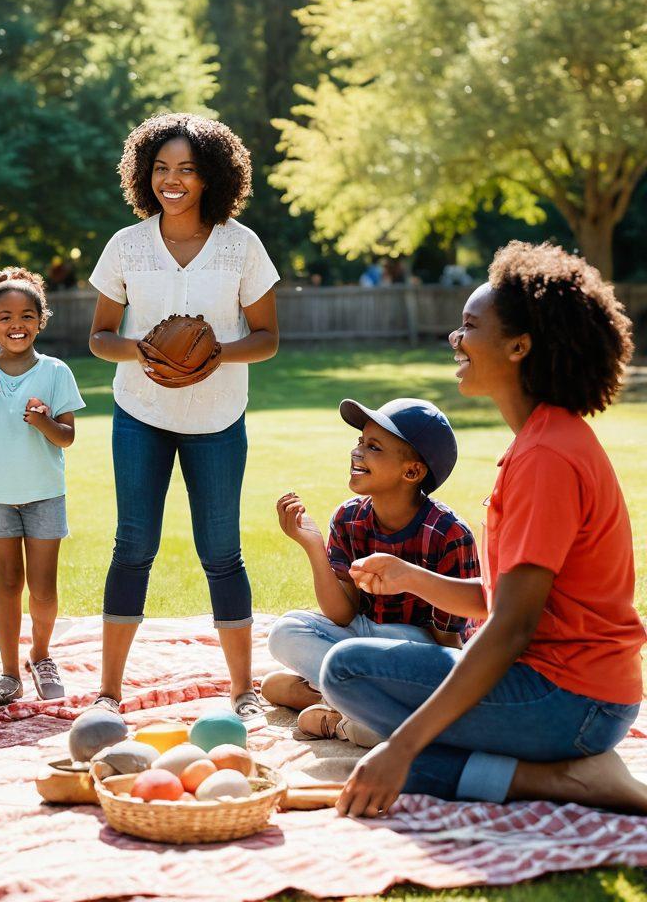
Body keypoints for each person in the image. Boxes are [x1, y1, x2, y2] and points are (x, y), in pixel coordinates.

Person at [325, 241, 647, 817]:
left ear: (519, 346)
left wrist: (401, 747)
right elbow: (507, 603)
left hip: (571, 701)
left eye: (469, 326)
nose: (455, 338)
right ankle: (526, 767)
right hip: (581, 694)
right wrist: (408, 576)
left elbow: (511, 627)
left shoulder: (546, 456)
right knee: (380, 711)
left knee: (348, 672)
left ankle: (563, 780)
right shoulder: (544, 439)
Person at [87, 112, 280, 719]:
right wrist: (140, 348)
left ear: (210, 177)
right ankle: (110, 691)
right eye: (161, 168)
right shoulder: (127, 244)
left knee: (221, 551)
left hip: (218, 417)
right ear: (144, 174)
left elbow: (269, 337)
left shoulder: (240, 245)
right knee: (133, 546)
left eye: (187, 170)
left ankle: (243, 690)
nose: (172, 180)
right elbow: (98, 337)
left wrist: (217, 353)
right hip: (138, 413)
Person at [264, 398, 479, 746]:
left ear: (411, 472)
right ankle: (358, 706)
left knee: (281, 685)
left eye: (373, 447)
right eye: (360, 442)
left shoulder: (449, 534)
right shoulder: (348, 518)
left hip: (416, 645)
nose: (357, 453)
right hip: (361, 637)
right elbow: (341, 613)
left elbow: (448, 646)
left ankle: (338, 703)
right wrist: (314, 548)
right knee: (284, 632)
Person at [0, 268, 85, 705]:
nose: (17, 324)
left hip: (44, 492)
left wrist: (43, 420)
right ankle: (9, 672)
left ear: (40, 321)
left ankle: (41, 655)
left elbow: (66, 436)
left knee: (43, 588)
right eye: (5, 316)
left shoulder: (56, 372)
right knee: (8, 584)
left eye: (27, 315)